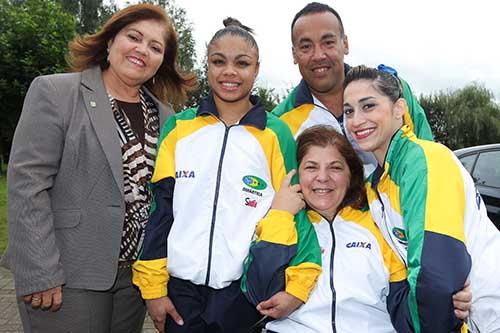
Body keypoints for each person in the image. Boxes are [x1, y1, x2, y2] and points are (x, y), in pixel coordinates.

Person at [0, 4, 195, 332]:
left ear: (163, 61)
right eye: (134, 37)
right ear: (109, 40)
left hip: (134, 281)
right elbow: (27, 184)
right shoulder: (56, 92)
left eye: (155, 47)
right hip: (67, 274)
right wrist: (39, 271)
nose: (142, 50)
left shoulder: (166, 118)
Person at [132, 18, 322, 333]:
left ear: (256, 69)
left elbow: (296, 212)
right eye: (219, 62)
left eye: (242, 63)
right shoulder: (179, 129)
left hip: (245, 293)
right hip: (181, 294)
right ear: (207, 65)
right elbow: (161, 211)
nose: (229, 72)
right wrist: (153, 289)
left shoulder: (277, 134)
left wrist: (298, 285)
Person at [245, 125, 472, 332]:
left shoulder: (378, 222)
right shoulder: (282, 222)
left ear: (351, 175)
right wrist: (281, 214)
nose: (322, 178)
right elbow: (259, 292)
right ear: (296, 174)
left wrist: (446, 303)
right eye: (311, 167)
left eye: (335, 168)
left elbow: (407, 305)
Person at [343, 65, 500, 332]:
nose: (356, 120)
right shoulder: (377, 185)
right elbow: (404, 275)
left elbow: (437, 274)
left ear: (398, 108)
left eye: (368, 106)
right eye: (348, 111)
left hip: (489, 316)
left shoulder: (425, 160)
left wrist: (437, 305)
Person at [273, 2, 432, 175]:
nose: (318, 55)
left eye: (328, 42)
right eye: (306, 47)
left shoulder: (393, 90)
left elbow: (428, 160)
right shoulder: (279, 124)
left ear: (345, 44)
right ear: (294, 54)